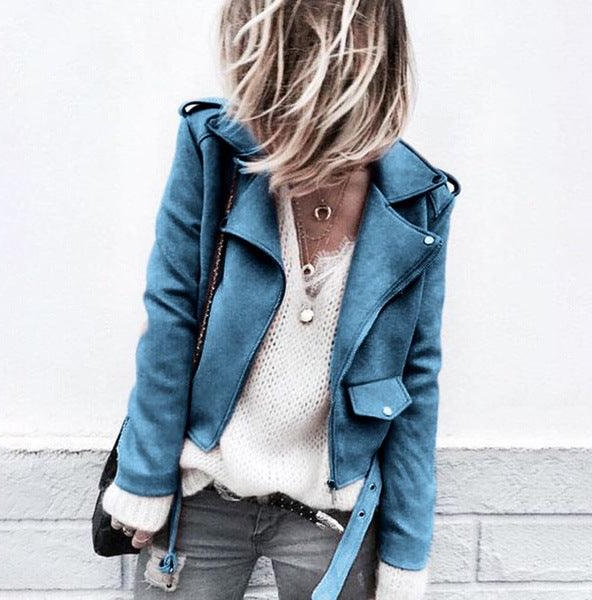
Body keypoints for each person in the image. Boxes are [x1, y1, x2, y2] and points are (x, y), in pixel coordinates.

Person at [101, 1, 461, 598]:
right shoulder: (214, 150)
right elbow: (171, 318)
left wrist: (405, 553)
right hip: (202, 494)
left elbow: (415, 382)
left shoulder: (419, 200)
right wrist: (143, 477)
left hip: (333, 513)